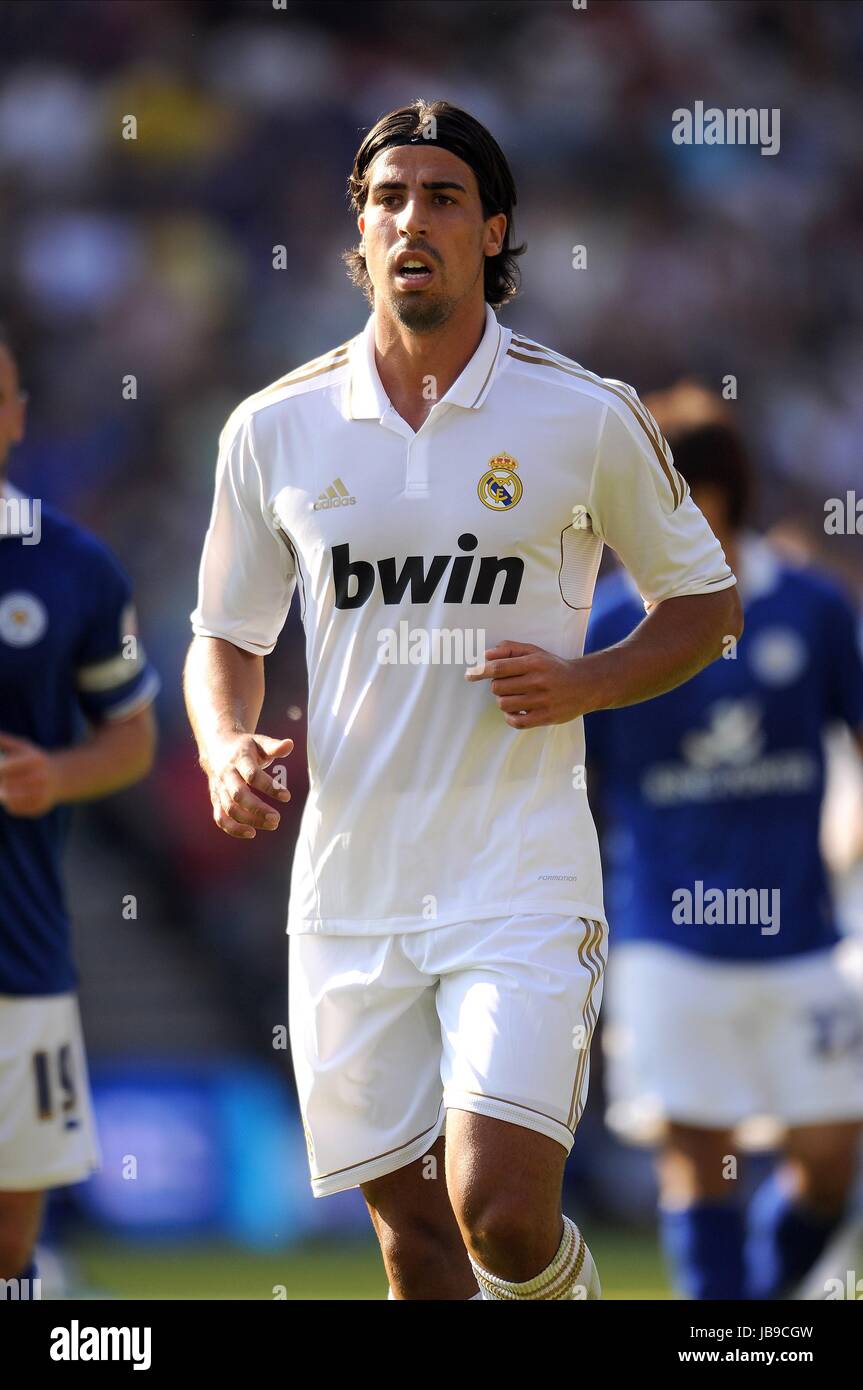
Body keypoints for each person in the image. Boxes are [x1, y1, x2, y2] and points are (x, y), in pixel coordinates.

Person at [184, 100, 741, 1301]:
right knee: (419, 1252)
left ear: (492, 231)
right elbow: (222, 635)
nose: (410, 219)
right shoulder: (272, 427)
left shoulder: (582, 414)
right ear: (359, 231)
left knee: (495, 1213)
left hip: (517, 878)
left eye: (440, 196)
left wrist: (586, 681)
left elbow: (705, 606)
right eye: (386, 198)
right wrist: (228, 744)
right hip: (350, 891)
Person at [584, 381, 863, 1299]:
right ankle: (724, 1334)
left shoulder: (811, 612)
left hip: (802, 937)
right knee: (697, 1157)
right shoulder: (607, 628)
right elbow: (567, 788)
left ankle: (764, 1301)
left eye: (676, 489)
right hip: (668, 939)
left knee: (826, 1157)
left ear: (722, 493)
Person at [0, 326, 159, 1299]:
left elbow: (132, 738)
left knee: (12, 1223)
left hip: (17, 944)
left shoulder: (71, 565)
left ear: (14, 417)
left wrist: (56, 776)